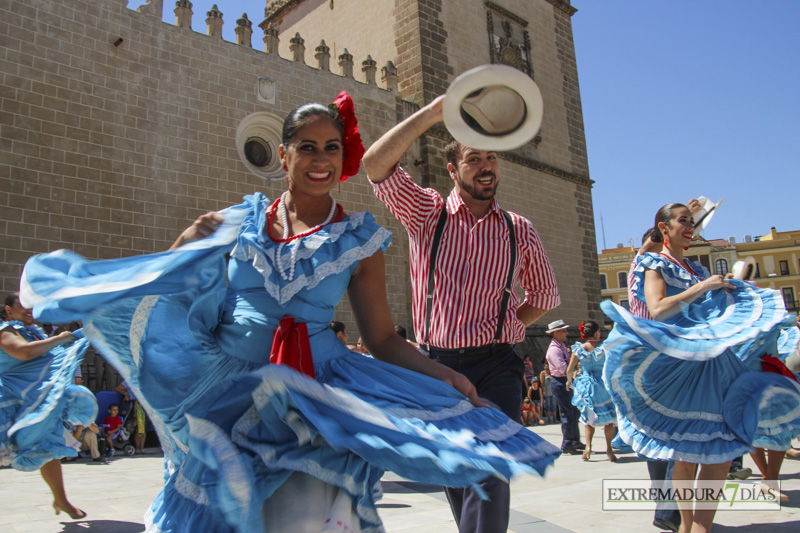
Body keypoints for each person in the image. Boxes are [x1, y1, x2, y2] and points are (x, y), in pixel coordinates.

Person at [21, 93, 561, 533]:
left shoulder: (360, 242)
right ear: (283, 156)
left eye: (331, 147)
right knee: (225, 516)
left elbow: (382, 340)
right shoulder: (238, 223)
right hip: (229, 391)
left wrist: (444, 375)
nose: (321, 159)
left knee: (302, 518)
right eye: (307, 147)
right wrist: (186, 240)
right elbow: (176, 282)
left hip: (316, 398)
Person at [363, 94, 561, 533]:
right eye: (474, 158)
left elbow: (545, 295)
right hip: (433, 366)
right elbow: (376, 165)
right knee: (458, 473)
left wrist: (506, 325)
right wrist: (436, 113)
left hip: (496, 367)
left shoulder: (518, 228)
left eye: (492, 157)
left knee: (492, 467)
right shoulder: (428, 213)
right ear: (453, 169)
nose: (487, 166)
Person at [602, 203, 800, 533]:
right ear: (664, 229)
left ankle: (700, 528)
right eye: (684, 222)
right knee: (687, 452)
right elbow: (659, 309)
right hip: (681, 365)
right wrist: (703, 288)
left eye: (693, 223)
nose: (691, 228)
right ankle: (687, 527)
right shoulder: (655, 264)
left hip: (716, 362)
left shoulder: (694, 267)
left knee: (722, 448)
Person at [0, 292, 96, 520]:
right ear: (8, 311)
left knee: (47, 446)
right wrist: (61, 339)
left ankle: (61, 500)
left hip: (30, 401)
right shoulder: (5, 331)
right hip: (7, 400)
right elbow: (25, 352)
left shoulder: (33, 333)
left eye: (33, 307)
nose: (29, 311)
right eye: (23, 307)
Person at [565, 320, 617, 462]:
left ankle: (588, 447)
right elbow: (611, 366)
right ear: (596, 333)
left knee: (588, 419)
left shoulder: (579, 349)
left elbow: (569, 369)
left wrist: (569, 381)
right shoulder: (603, 348)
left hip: (587, 385)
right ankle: (609, 449)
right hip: (602, 385)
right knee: (609, 419)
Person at [545, 320, 583, 455]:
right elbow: (562, 369)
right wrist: (574, 373)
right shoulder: (554, 350)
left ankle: (574, 440)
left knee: (573, 412)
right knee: (568, 412)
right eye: (563, 331)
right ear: (555, 332)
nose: (566, 333)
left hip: (564, 380)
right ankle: (567, 443)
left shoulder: (560, 346)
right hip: (560, 381)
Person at [116, 381, 149, 454]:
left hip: (144, 403)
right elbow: (118, 388)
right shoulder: (129, 379)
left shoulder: (145, 378)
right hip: (135, 404)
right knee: (137, 426)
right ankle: (137, 447)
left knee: (143, 427)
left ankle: (142, 447)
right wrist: (126, 394)